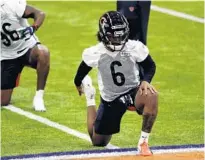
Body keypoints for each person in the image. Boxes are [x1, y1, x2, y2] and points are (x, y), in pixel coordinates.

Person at [74, 11, 158, 156]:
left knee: (152, 94)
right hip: (111, 99)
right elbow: (81, 73)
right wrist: (78, 84)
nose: (118, 39)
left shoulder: (134, 47)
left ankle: (143, 142)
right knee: (98, 142)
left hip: (133, 90)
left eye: (120, 34)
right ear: (104, 33)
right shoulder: (95, 52)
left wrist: (145, 81)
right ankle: (90, 98)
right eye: (114, 35)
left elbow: (150, 65)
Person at [1, 0, 50, 111]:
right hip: (7, 56)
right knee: (3, 101)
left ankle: (38, 98)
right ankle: (14, 75)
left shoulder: (10, 5)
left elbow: (40, 14)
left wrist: (32, 28)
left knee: (43, 53)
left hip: (27, 48)